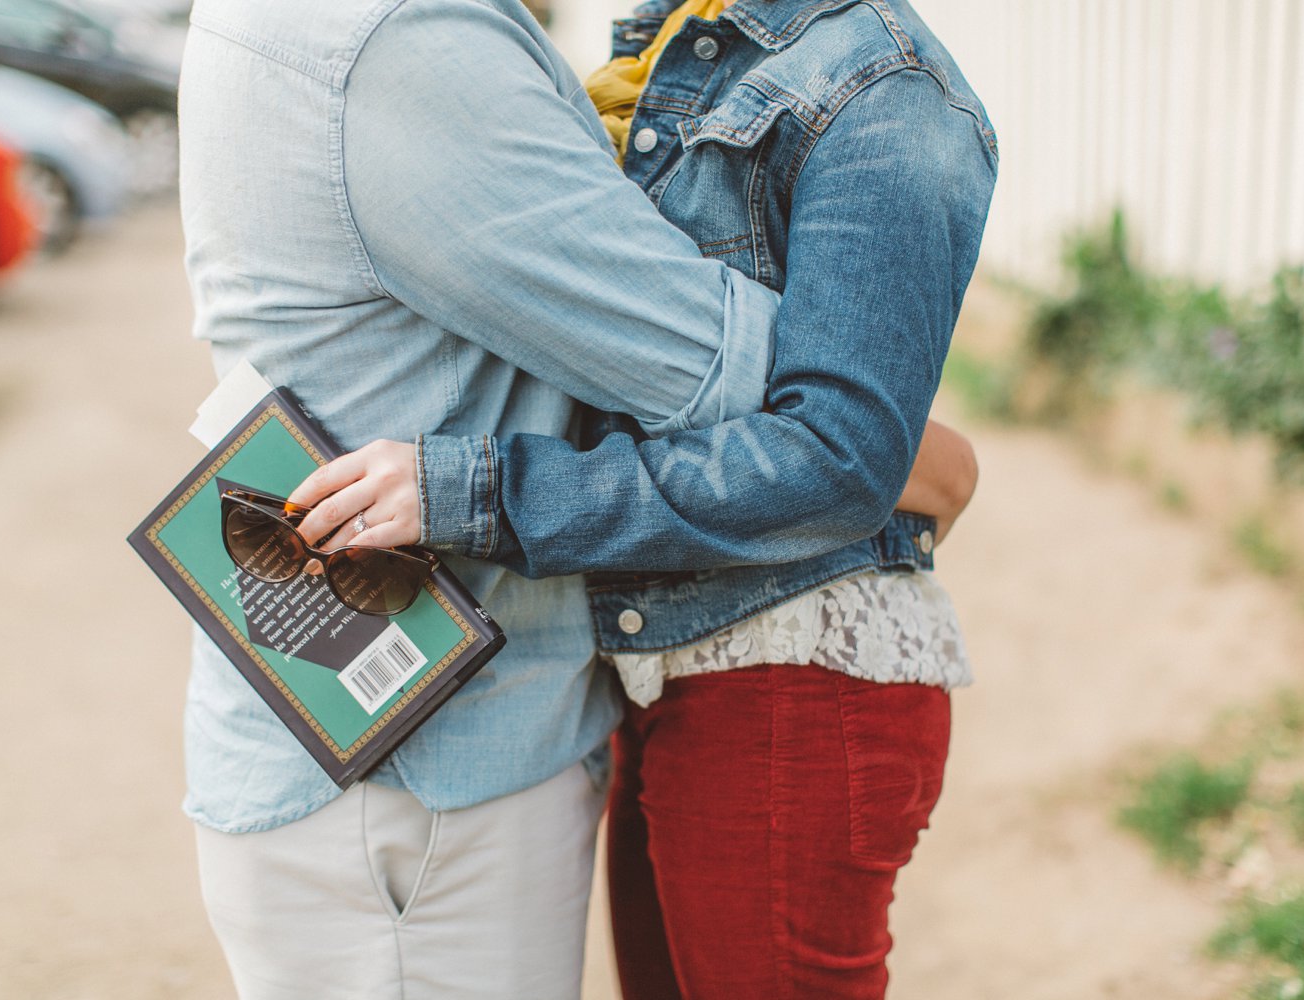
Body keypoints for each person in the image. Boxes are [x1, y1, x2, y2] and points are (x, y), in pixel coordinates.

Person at [179, 0, 984, 998]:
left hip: (790, 656)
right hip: (613, 676)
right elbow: (665, 348)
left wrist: (481, 491)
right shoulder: (441, 41)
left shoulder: (878, 81)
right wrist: (914, 452)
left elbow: (832, 439)